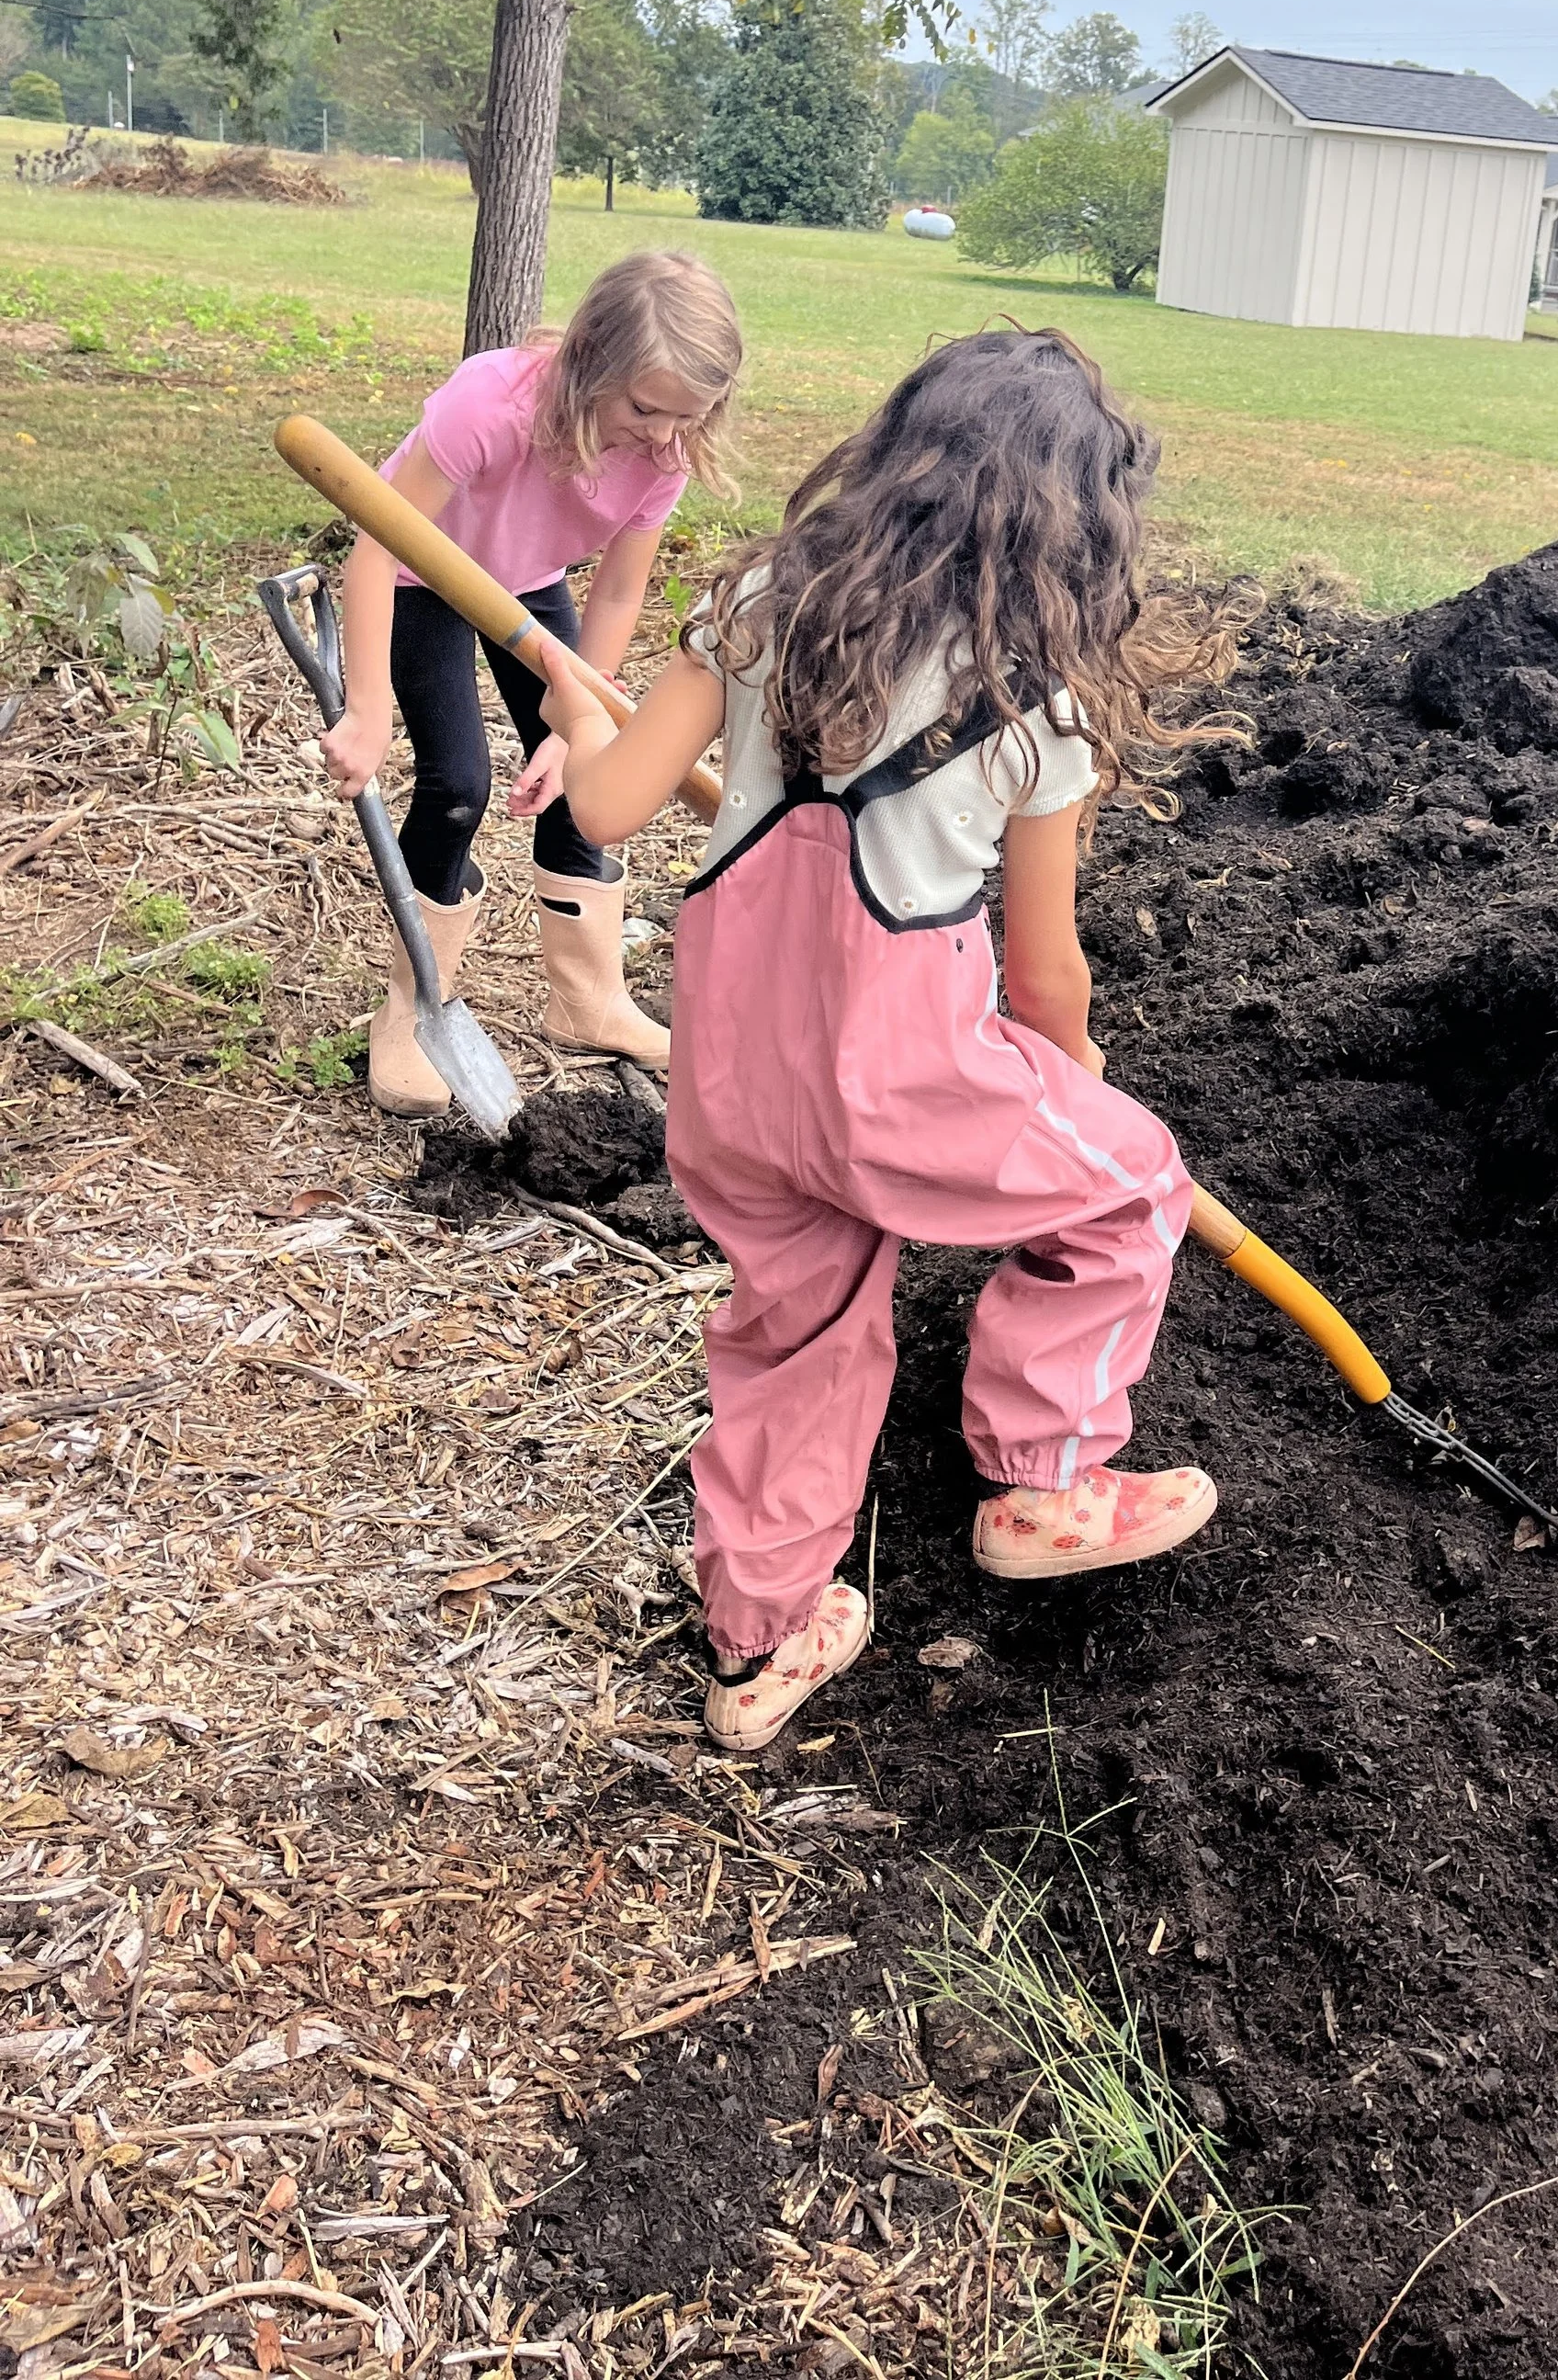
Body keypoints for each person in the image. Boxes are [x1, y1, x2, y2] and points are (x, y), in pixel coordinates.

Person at [542, 326, 1236, 1751]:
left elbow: (601, 811)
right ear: (1073, 523)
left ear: (896, 455)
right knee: (1131, 1186)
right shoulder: (1033, 706)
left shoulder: (755, 606)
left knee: (796, 1338)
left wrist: (571, 712)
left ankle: (758, 1639)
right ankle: (1046, 1480)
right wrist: (1075, 1083)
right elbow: (1042, 972)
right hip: (906, 1083)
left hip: (734, 1079)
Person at [319, 248, 742, 1113]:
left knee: (591, 772)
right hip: (421, 575)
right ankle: (412, 1005)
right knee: (458, 784)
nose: (664, 435)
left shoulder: (665, 451)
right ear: (590, 359)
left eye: (688, 416)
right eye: (645, 408)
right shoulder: (491, 402)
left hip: (527, 582)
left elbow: (618, 591)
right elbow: (376, 547)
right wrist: (366, 710)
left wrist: (571, 728)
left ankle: (588, 998)